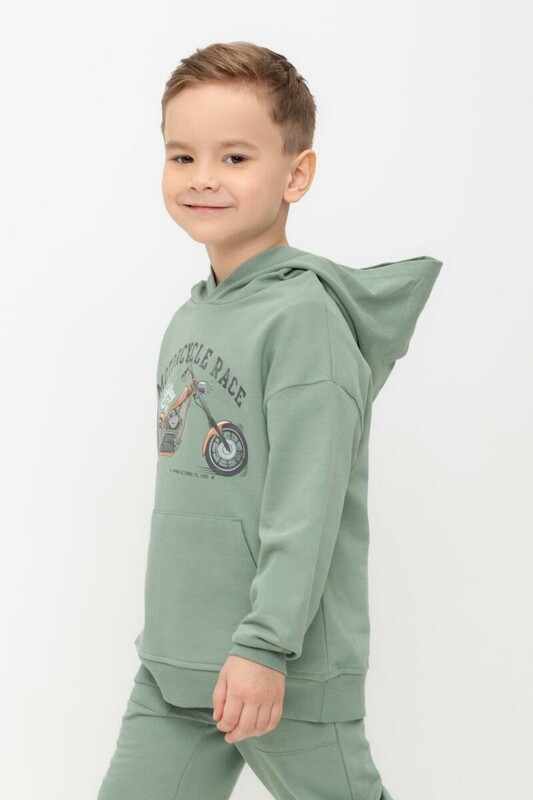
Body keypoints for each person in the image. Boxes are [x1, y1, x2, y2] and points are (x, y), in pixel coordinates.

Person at [97, 40, 443, 800]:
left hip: (279, 671)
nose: (203, 177)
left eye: (234, 157)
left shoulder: (304, 319)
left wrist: (264, 647)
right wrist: (172, 641)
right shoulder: (191, 316)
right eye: (182, 156)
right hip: (175, 665)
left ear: (296, 174)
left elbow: (305, 504)